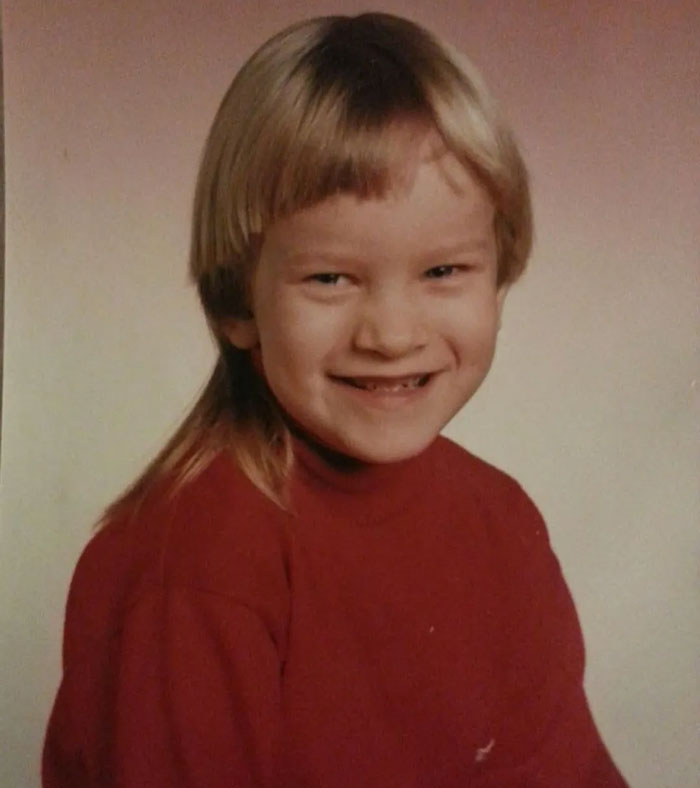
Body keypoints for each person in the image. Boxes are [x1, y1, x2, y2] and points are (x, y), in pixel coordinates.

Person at [42, 12, 628, 787]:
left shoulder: (500, 520)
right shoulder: (197, 566)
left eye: (444, 271)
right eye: (330, 278)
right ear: (237, 304)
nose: (391, 333)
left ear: (500, 272)